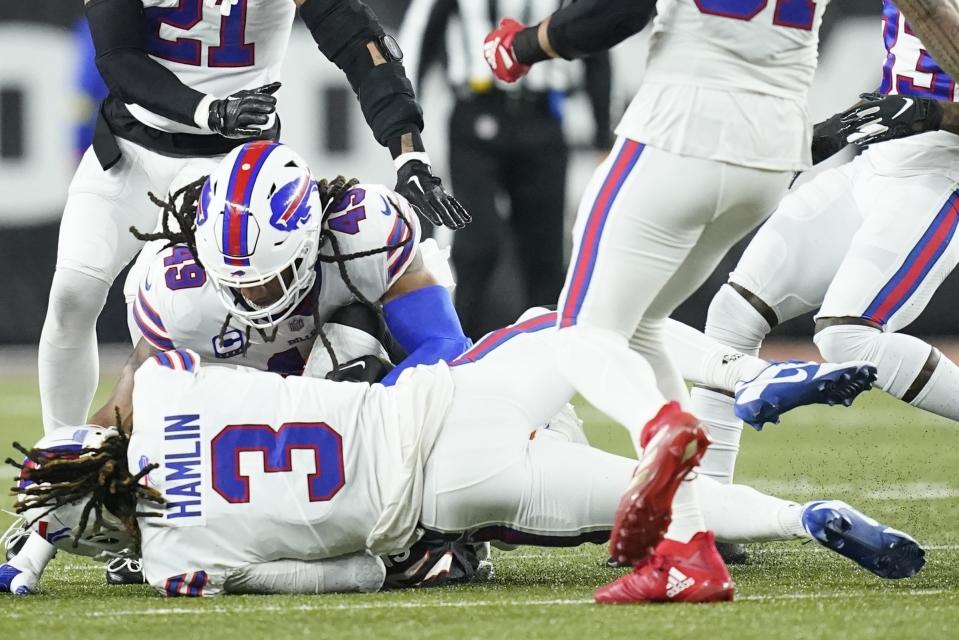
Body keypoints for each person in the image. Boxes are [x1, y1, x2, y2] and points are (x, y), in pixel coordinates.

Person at [479, 0, 959, 604]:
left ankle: (668, 432)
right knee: (698, 319)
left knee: (586, 331)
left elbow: (614, 14)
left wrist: (526, 45)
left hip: (705, 132)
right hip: (796, 152)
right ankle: (699, 530)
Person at [1, 315, 919, 597]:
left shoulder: (171, 562)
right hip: (446, 403)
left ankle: (799, 518)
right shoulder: (159, 393)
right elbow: (136, 376)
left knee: (644, 509)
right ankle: (680, 406)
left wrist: (45, 544)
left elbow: (350, 576)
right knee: (565, 331)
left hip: (447, 490)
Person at [39, 0, 469, 437]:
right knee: (72, 294)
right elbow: (119, 59)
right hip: (129, 152)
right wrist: (210, 109)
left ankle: (295, 440)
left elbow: (358, 39)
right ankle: (56, 455)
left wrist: (409, 153)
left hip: (229, 169)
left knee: (230, 313)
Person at [692, 3, 959, 495]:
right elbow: (913, 78)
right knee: (733, 314)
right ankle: (706, 511)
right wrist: (848, 126)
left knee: (847, 337)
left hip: (942, 179)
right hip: (879, 165)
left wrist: (930, 113)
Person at [86, 141, 471, 431]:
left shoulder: (362, 235)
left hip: (338, 377)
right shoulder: (179, 293)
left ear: (308, 242)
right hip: (227, 392)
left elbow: (447, 347)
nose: (251, 296)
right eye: (235, 281)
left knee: (370, 342)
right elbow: (121, 415)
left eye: (268, 279)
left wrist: (365, 413)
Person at [400, 0, 614, 337]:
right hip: (476, 116)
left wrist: (604, 134)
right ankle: (453, 347)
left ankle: (547, 360)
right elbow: (419, 35)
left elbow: (594, 34)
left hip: (543, 118)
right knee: (473, 244)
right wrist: (405, 124)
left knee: (544, 253)